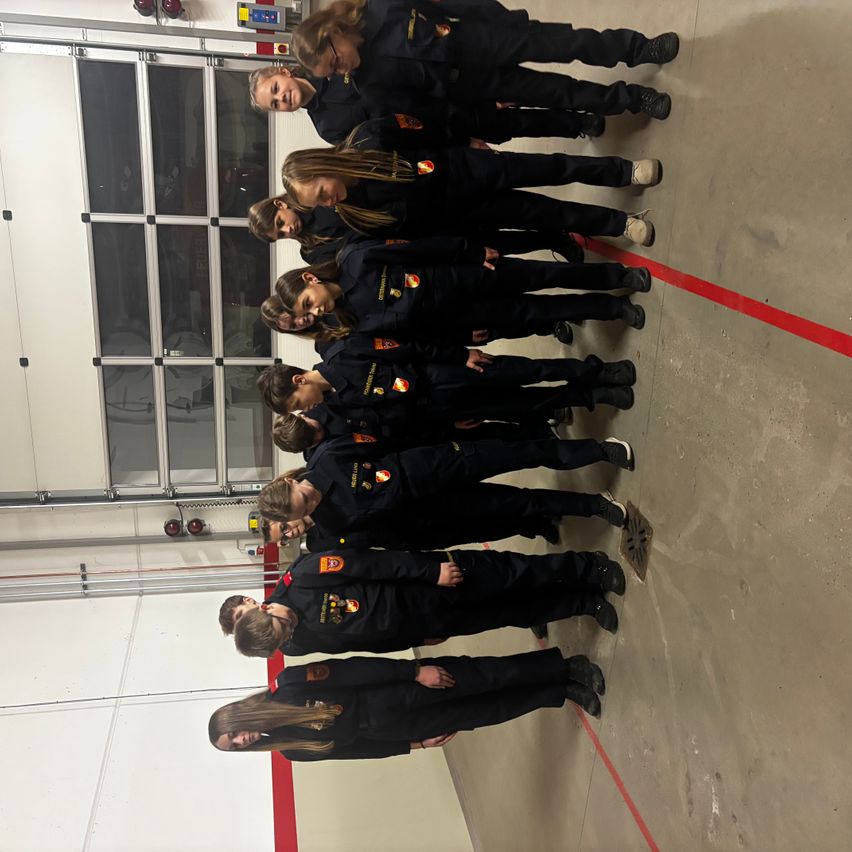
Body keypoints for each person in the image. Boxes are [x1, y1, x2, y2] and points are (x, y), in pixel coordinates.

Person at [280, 117, 660, 245]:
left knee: (553, 168)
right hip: (469, 211)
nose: (329, 202)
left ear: (322, 168)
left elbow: (425, 125)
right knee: (550, 215)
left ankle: (624, 172)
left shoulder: (369, 138)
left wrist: (465, 138)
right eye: (321, 204)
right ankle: (621, 224)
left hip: (468, 166)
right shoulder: (356, 215)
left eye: (322, 193)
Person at [292, 0, 676, 120]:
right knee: (560, 94)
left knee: (567, 43)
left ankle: (639, 48)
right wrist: (483, 105)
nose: (340, 71)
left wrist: (500, 16)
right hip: (472, 84)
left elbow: (447, 3)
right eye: (333, 73)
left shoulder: (380, 6)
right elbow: (429, 107)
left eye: (334, 61)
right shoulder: (370, 88)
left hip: (480, 38)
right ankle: (632, 99)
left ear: (334, 33)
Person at [218, 547, 625, 659]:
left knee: (515, 574)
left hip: (429, 584)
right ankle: (581, 602)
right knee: (509, 612)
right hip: (421, 622)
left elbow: (375, 562)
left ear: (266, 607)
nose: (290, 633)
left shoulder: (304, 575)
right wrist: (411, 641)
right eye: (283, 638)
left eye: (283, 626)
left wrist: (431, 571)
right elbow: (356, 644)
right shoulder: (294, 643)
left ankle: (589, 568)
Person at [209, 647, 606, 762]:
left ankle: (563, 666)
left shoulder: (288, 686)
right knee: (489, 712)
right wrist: (415, 745)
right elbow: (357, 752)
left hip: (397, 690)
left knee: (487, 677)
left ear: (237, 715)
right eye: (238, 746)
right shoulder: (290, 752)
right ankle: (560, 691)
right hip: (397, 728)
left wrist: (412, 671)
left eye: (235, 734)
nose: (243, 740)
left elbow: (354, 670)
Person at [256, 432, 635, 550]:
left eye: (304, 497)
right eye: (303, 510)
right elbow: (386, 536)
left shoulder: (329, 458)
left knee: (523, 450)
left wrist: (448, 432)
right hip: (440, 510)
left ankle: (598, 449)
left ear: (291, 481)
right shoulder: (333, 525)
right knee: (521, 503)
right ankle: (593, 506)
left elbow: (388, 434)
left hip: (438, 465)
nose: (312, 503)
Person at [275, 242, 651, 342]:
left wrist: (468, 251)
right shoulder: (354, 321)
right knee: (542, 313)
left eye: (309, 302)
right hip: (463, 316)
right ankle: (612, 308)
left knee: (547, 275)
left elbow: (417, 248)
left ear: (311, 280)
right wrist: (459, 341)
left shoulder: (357, 258)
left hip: (467, 276)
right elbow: (415, 332)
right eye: (309, 313)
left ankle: (617, 276)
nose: (317, 310)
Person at [254, 352, 635, 445]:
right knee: (526, 405)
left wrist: (457, 354)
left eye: (297, 402)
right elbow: (398, 421)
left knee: (530, 370)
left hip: (449, 374)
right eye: (297, 411)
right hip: (447, 408)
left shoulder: (345, 355)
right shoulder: (338, 409)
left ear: (300, 379)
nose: (304, 409)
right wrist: (447, 424)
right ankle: (597, 394)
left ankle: (598, 370)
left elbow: (406, 345)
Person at [249, 63, 605, 145]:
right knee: (516, 126)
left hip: (445, 86)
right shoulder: (329, 129)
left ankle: (583, 103)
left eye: (277, 89)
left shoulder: (327, 63)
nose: (283, 98)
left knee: (518, 90)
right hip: (440, 124)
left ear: (283, 72)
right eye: (276, 103)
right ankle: (577, 125)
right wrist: (459, 142)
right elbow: (395, 140)